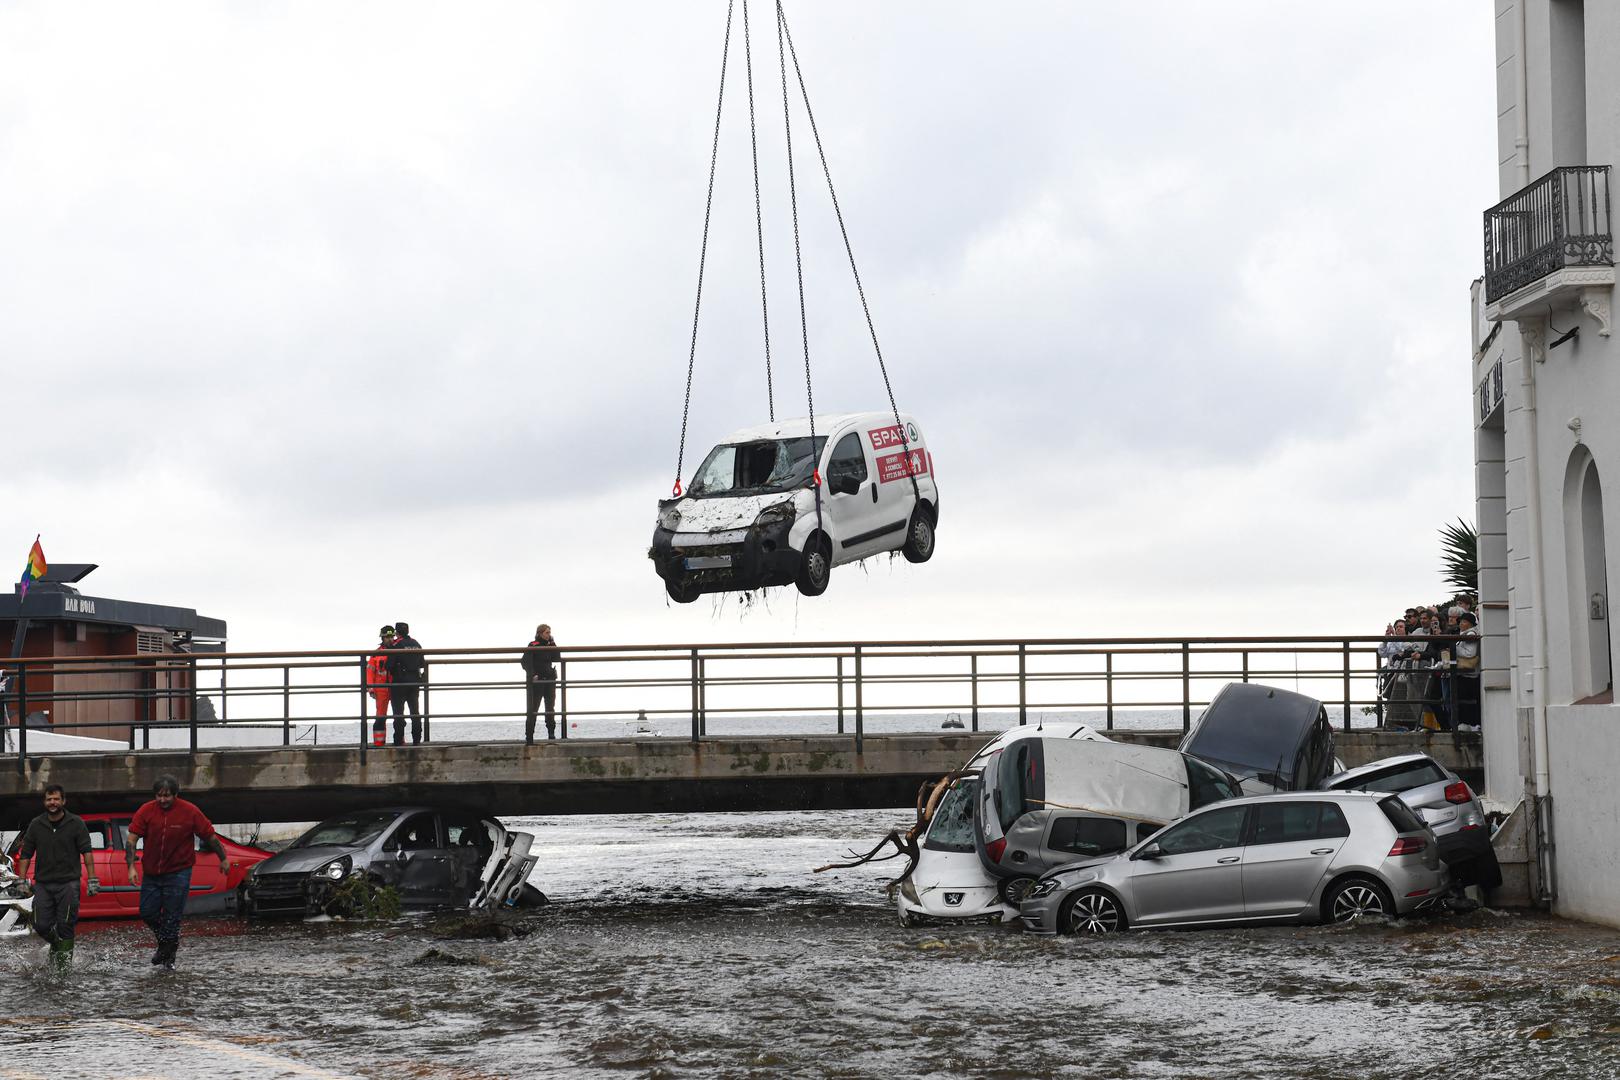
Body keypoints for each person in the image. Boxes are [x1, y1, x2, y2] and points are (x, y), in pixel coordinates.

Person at [127, 775, 229, 969]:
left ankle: (168, 960)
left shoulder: (190, 811)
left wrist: (223, 858)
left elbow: (210, 836)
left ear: (176, 794)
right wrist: (131, 866)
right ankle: (167, 944)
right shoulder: (146, 811)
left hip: (179, 872)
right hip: (152, 872)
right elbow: (132, 839)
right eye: (159, 796)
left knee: (172, 917)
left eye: (167, 796)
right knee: (147, 912)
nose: (163, 800)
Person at [16, 784, 96, 969]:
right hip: (43, 884)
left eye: (56, 799)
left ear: (63, 801)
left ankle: (62, 969)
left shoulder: (76, 823)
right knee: (39, 924)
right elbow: (26, 854)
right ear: (45, 802)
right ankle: (57, 944)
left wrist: (92, 879)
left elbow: (87, 852)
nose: (52, 802)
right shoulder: (36, 824)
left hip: (68, 884)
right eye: (49, 799)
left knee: (66, 924)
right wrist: (21, 880)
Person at [384, 621, 426, 746]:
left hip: (399, 683)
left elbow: (388, 666)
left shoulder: (396, 645)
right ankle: (417, 740)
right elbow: (422, 664)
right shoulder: (416, 644)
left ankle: (398, 740)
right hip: (414, 682)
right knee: (415, 712)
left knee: (398, 713)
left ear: (396, 632)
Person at [521, 624, 560, 743]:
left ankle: (551, 733)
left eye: (550, 632)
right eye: (547, 633)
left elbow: (557, 658)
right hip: (537, 681)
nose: (549, 635)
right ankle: (529, 736)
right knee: (533, 709)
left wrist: (553, 643)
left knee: (550, 708)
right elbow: (525, 662)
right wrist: (532, 674)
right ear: (540, 633)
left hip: (549, 680)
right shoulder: (533, 645)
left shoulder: (550, 645)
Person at [366, 626, 394, 747]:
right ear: (382, 638)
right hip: (381, 689)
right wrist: (371, 688)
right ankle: (379, 742)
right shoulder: (375, 654)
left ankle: (400, 740)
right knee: (381, 716)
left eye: (392, 636)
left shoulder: (398, 651)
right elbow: (369, 672)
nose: (390, 639)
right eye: (387, 637)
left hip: (395, 687)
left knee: (399, 715)